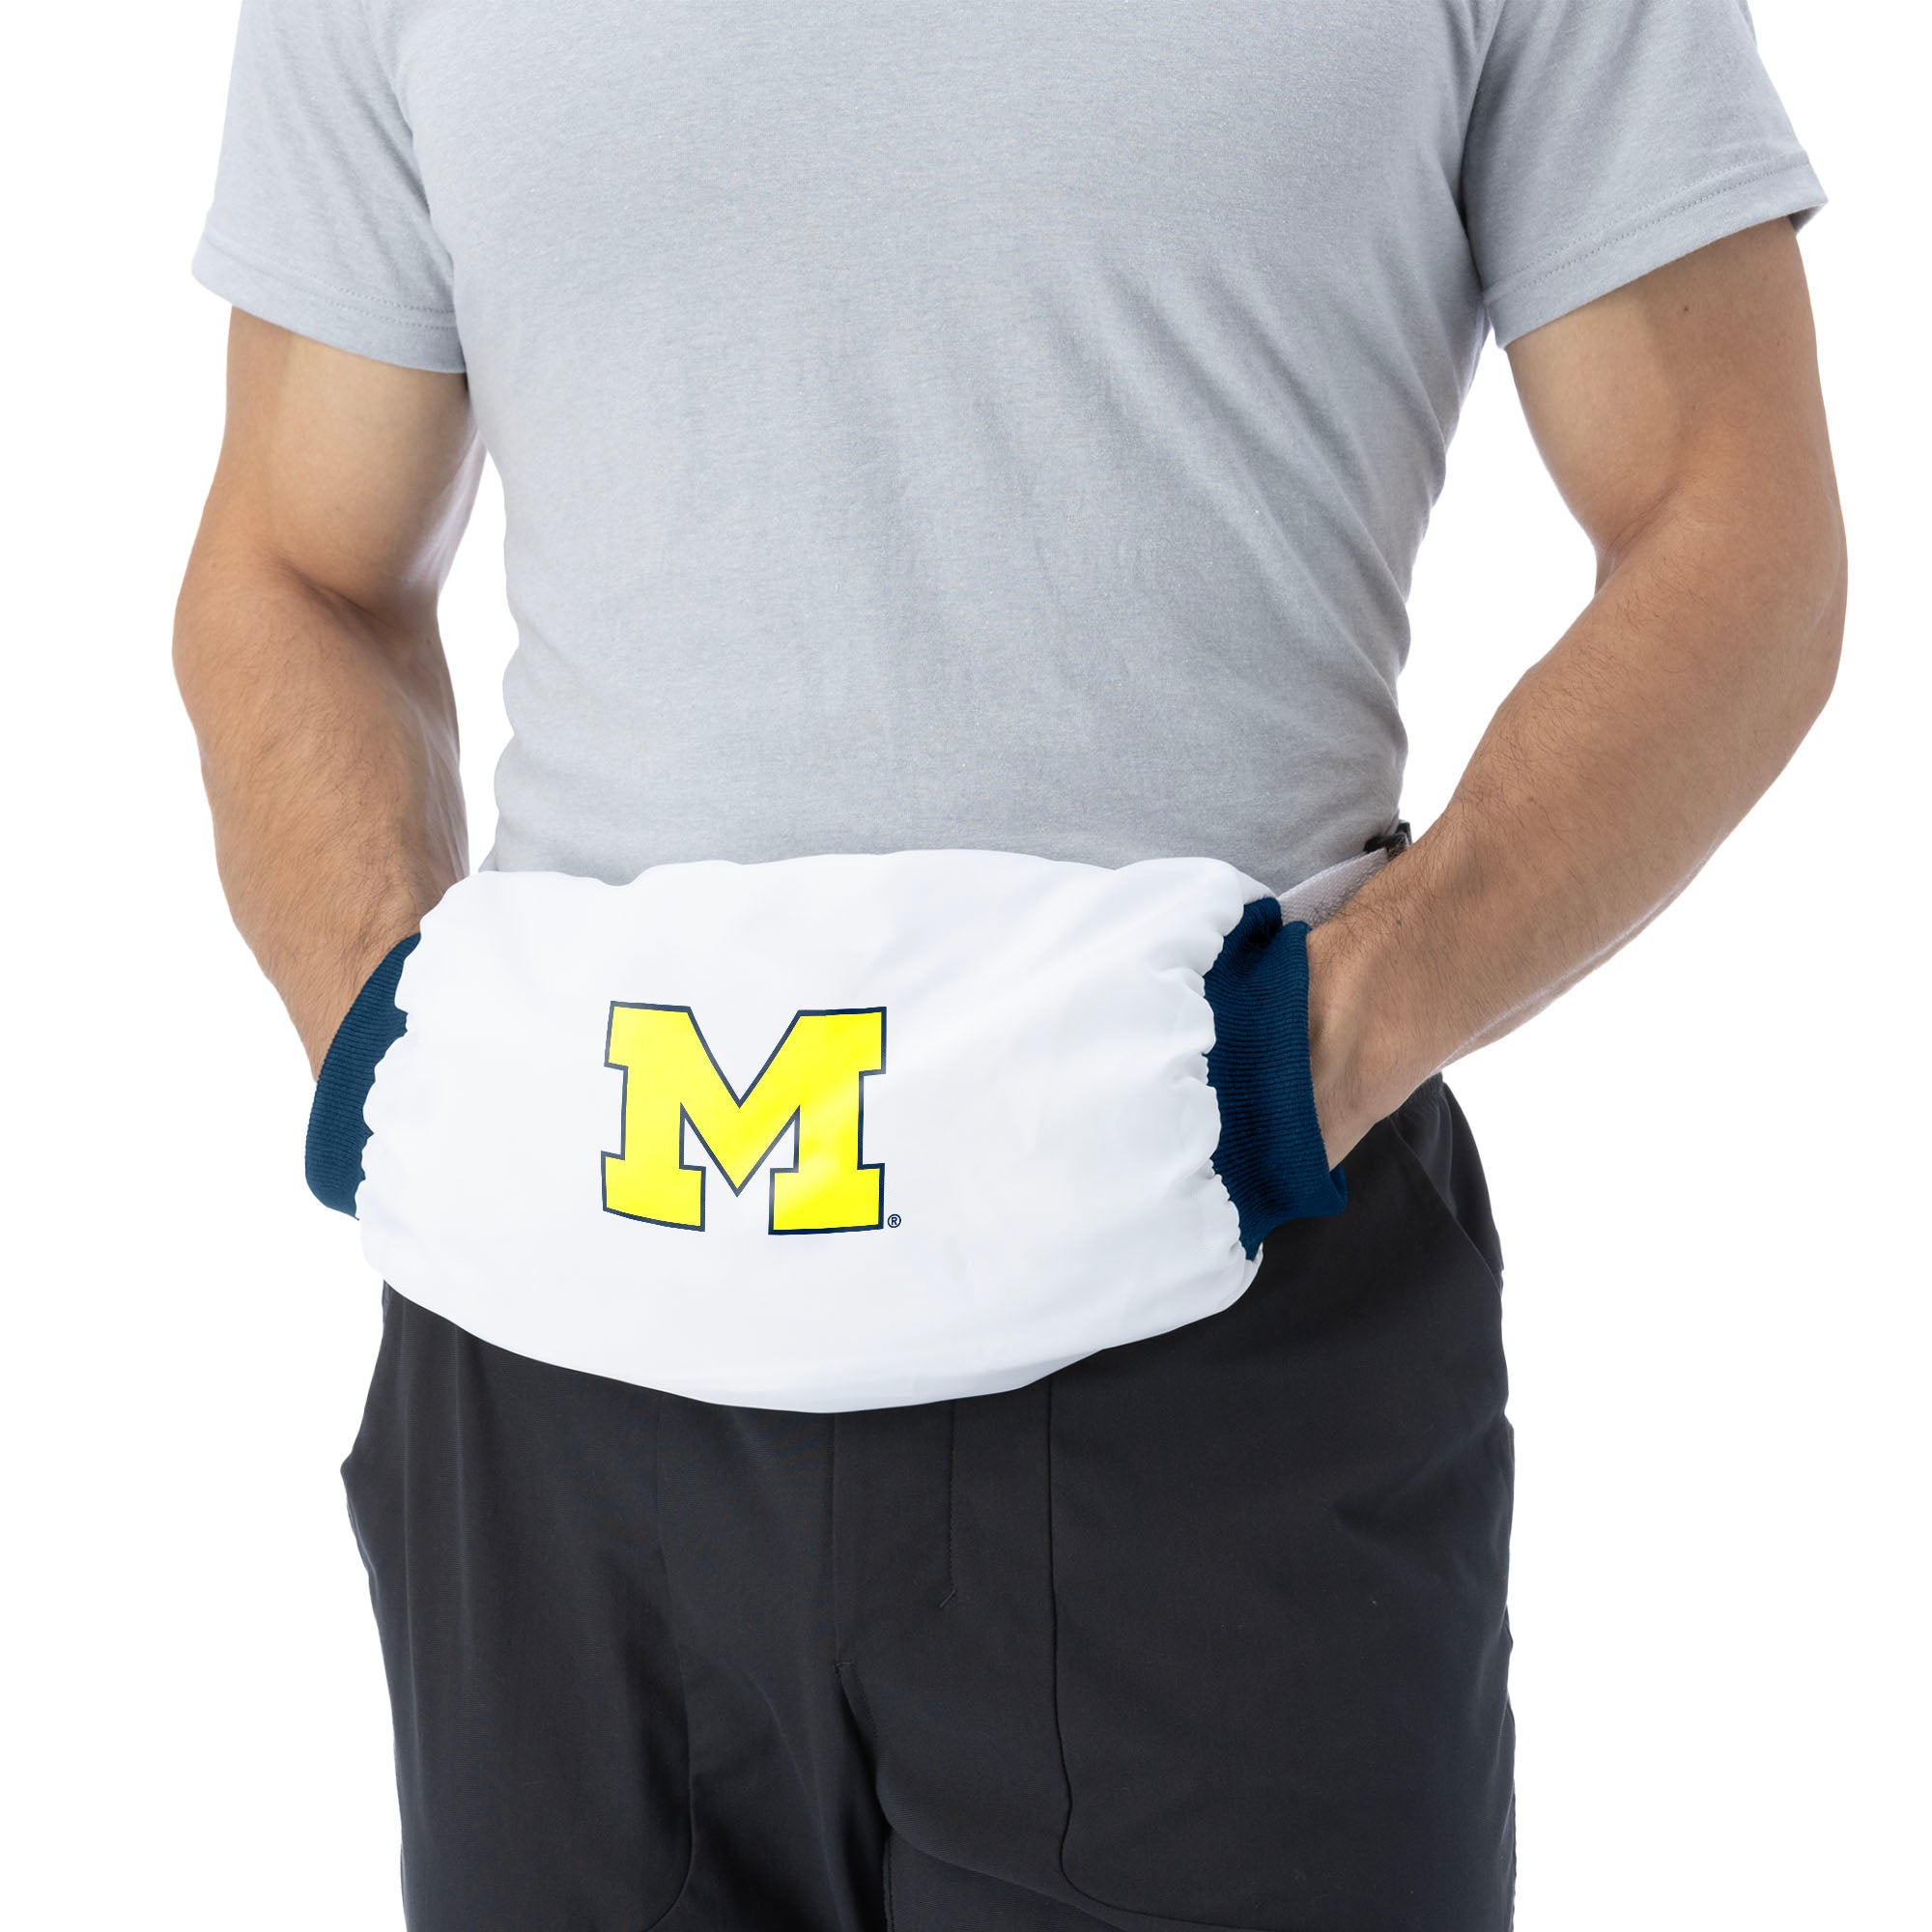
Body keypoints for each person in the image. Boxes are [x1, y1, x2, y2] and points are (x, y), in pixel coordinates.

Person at [175, 2, 1843, 1926]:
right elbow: (295, 564)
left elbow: (1740, 532)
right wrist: (388, 1057)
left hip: (1207, 1311)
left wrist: (1315, 1047)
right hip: (562, 1349)